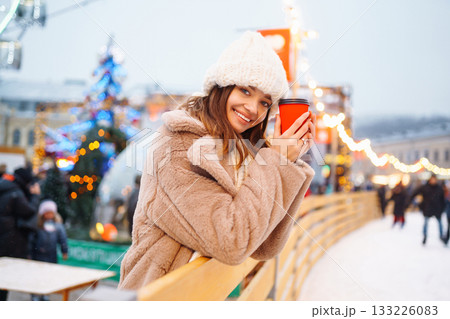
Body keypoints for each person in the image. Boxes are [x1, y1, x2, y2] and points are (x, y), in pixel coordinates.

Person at [118, 31, 316, 290]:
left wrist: (285, 163)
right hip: (156, 297)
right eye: (245, 91)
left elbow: (266, 245)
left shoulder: (239, 151)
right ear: (221, 87)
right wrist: (276, 160)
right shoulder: (177, 144)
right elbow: (232, 241)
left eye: (265, 102)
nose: (254, 109)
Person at [0, 167, 40, 301]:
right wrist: (35, 196)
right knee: (3, 282)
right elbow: (29, 211)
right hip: (6, 241)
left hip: (3, 237)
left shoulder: (4, 186)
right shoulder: (15, 193)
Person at [29, 200, 68, 301]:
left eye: (51, 213)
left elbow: (62, 239)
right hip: (38, 256)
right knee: (36, 276)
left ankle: (45, 294)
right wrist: (29, 253)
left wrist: (64, 251)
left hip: (51, 256)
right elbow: (31, 240)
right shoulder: (37, 225)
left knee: (48, 277)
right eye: (47, 212)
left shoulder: (58, 226)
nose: (49, 215)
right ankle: (35, 295)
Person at [410, 174, 446, 245]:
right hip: (428, 208)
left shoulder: (439, 188)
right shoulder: (425, 187)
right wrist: (420, 205)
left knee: (440, 223)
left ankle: (441, 236)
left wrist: (442, 208)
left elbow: (442, 199)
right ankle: (425, 236)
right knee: (425, 223)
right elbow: (414, 193)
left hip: (437, 209)